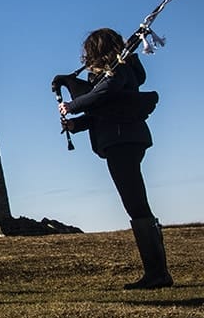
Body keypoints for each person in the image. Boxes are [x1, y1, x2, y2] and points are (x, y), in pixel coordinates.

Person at [56, 27, 172, 289]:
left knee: (136, 204)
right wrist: (76, 124)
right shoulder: (119, 70)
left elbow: (104, 94)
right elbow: (104, 109)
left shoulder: (119, 70)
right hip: (124, 139)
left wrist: (72, 106)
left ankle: (157, 274)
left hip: (122, 141)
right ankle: (157, 272)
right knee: (136, 203)